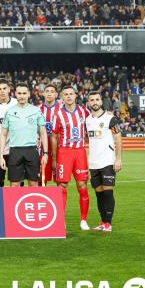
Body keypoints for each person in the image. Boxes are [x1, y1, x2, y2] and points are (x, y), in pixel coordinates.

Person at [51, 85, 92, 230]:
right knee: (62, 186)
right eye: (66, 94)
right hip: (64, 153)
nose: (68, 96)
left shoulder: (83, 111)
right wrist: (55, 159)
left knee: (82, 186)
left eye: (71, 94)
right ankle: (61, 220)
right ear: (62, 97)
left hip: (80, 152)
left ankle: (83, 220)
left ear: (75, 96)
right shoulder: (58, 114)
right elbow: (54, 137)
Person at [86, 91, 122, 232]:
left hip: (107, 160)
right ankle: (102, 222)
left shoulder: (110, 119)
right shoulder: (87, 121)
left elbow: (118, 138)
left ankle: (108, 223)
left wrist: (118, 158)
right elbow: (88, 142)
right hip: (93, 163)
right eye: (92, 100)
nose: (95, 102)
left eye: (97, 99)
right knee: (99, 193)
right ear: (88, 102)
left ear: (101, 101)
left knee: (107, 193)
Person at [0, 83, 47, 187]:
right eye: (19, 93)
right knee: (14, 184)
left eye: (24, 93)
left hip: (31, 150)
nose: (22, 96)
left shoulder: (36, 111)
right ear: (15, 94)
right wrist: (1, 156)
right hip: (15, 150)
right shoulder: (9, 112)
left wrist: (45, 153)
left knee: (33, 183)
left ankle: (32, 203)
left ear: (29, 94)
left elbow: (43, 132)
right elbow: (3, 135)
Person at [39, 84, 61, 185]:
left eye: (52, 91)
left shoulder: (62, 107)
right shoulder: (37, 109)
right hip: (43, 147)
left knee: (60, 179)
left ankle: (59, 200)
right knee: (42, 179)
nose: (49, 93)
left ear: (56, 94)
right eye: (47, 91)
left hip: (59, 146)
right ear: (43, 93)